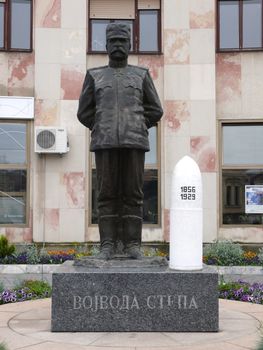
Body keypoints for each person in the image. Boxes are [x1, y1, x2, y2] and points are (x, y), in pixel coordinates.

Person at [77, 23, 163, 260]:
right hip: (105, 143)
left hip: (134, 142)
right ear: (105, 46)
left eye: (122, 41)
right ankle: (107, 245)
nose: (117, 45)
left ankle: (132, 245)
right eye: (113, 41)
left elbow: (156, 109)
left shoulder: (141, 75)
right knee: (106, 193)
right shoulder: (94, 76)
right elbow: (84, 112)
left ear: (130, 45)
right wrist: (101, 125)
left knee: (133, 193)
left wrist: (137, 124)